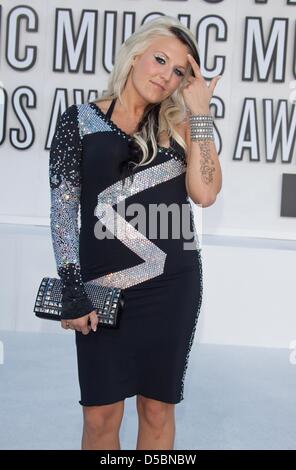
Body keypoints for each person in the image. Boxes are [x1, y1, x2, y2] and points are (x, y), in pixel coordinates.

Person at [49, 15, 222, 450]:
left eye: (179, 70)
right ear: (134, 56)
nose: (166, 75)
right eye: (160, 60)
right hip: (102, 290)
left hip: (172, 287)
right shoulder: (79, 121)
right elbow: (63, 214)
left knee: (157, 410)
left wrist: (200, 114)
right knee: (100, 417)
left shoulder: (182, 126)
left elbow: (205, 194)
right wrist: (74, 290)